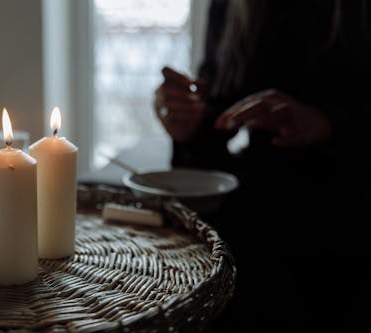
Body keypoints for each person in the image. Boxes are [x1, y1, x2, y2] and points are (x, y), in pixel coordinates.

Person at [154, 0, 371, 332]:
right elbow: (216, 128)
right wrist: (189, 124)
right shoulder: (232, 7)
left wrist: (327, 123)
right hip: (257, 203)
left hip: (346, 201)